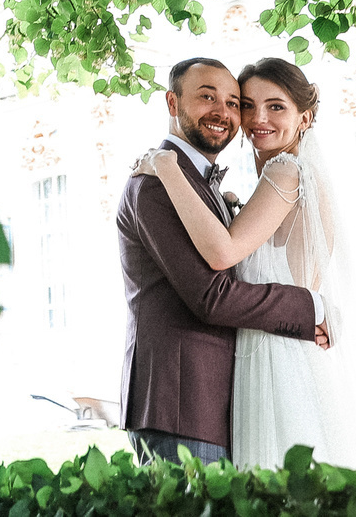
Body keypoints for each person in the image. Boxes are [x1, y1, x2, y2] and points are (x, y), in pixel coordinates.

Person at [138, 57, 356, 469]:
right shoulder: (285, 180)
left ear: (305, 118)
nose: (257, 117)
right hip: (276, 352)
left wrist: (166, 168)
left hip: (276, 360)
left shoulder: (285, 172)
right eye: (248, 105)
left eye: (276, 106)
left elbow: (224, 254)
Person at [116, 57, 330, 464]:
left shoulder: (203, 183)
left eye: (234, 103)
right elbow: (212, 297)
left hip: (221, 400)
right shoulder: (157, 184)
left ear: (304, 117)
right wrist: (312, 308)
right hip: (182, 405)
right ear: (172, 103)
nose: (227, 113)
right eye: (207, 97)